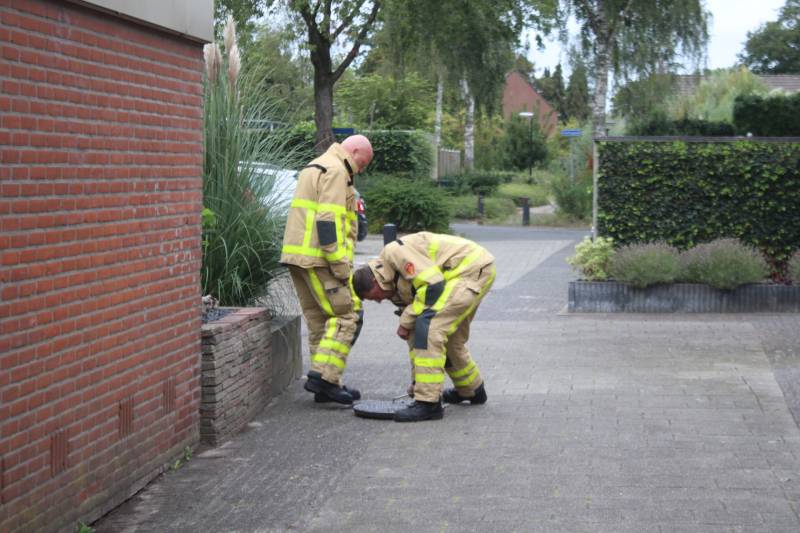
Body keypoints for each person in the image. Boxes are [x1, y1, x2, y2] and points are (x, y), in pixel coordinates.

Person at [352, 232, 495, 422]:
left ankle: (428, 404)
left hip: (468, 269)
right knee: (447, 339)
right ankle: (472, 390)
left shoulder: (394, 253)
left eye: (375, 296)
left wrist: (405, 322)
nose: (379, 301)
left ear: (375, 280)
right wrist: (417, 381)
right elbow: (413, 337)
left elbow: (433, 286)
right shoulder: (393, 289)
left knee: (429, 328)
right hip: (465, 273)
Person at [281, 135, 373, 404]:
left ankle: (324, 385)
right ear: (354, 151)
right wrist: (339, 265)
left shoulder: (315, 165)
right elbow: (327, 220)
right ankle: (324, 378)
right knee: (348, 315)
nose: (362, 169)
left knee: (320, 321)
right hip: (321, 260)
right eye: (363, 162)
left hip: (298, 257)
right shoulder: (335, 170)